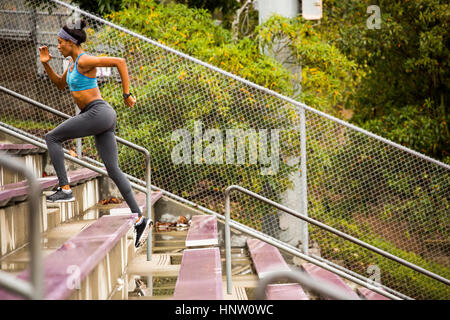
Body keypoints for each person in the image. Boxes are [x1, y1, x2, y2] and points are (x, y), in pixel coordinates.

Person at [39, 19, 149, 248]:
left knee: (52, 137)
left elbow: (120, 61)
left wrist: (127, 94)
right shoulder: (70, 64)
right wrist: (47, 64)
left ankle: (65, 188)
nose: (57, 46)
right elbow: (61, 85)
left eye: (60, 43)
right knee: (112, 169)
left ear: (71, 43)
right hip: (100, 116)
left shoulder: (85, 59)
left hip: (98, 112)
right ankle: (139, 219)